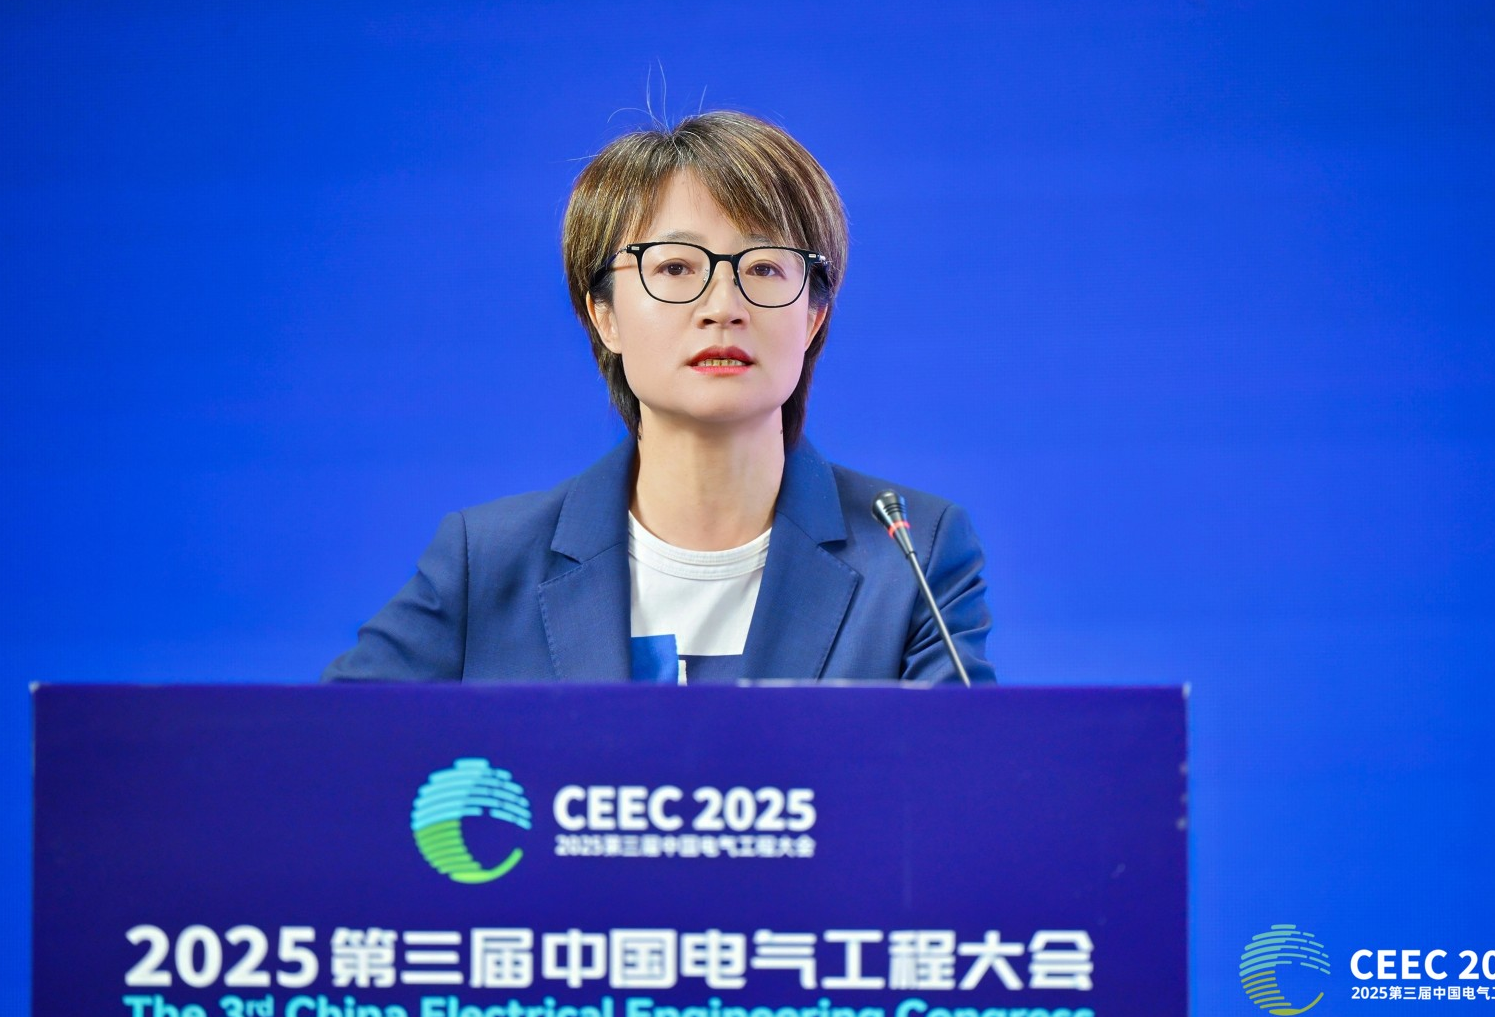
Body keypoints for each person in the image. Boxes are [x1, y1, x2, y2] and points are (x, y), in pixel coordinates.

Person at [323, 111, 993, 684]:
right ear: (604, 316)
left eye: (764, 267)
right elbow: (318, 750)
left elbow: (963, 778)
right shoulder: (488, 561)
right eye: (675, 267)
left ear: (814, 316)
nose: (723, 306)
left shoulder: (912, 554)